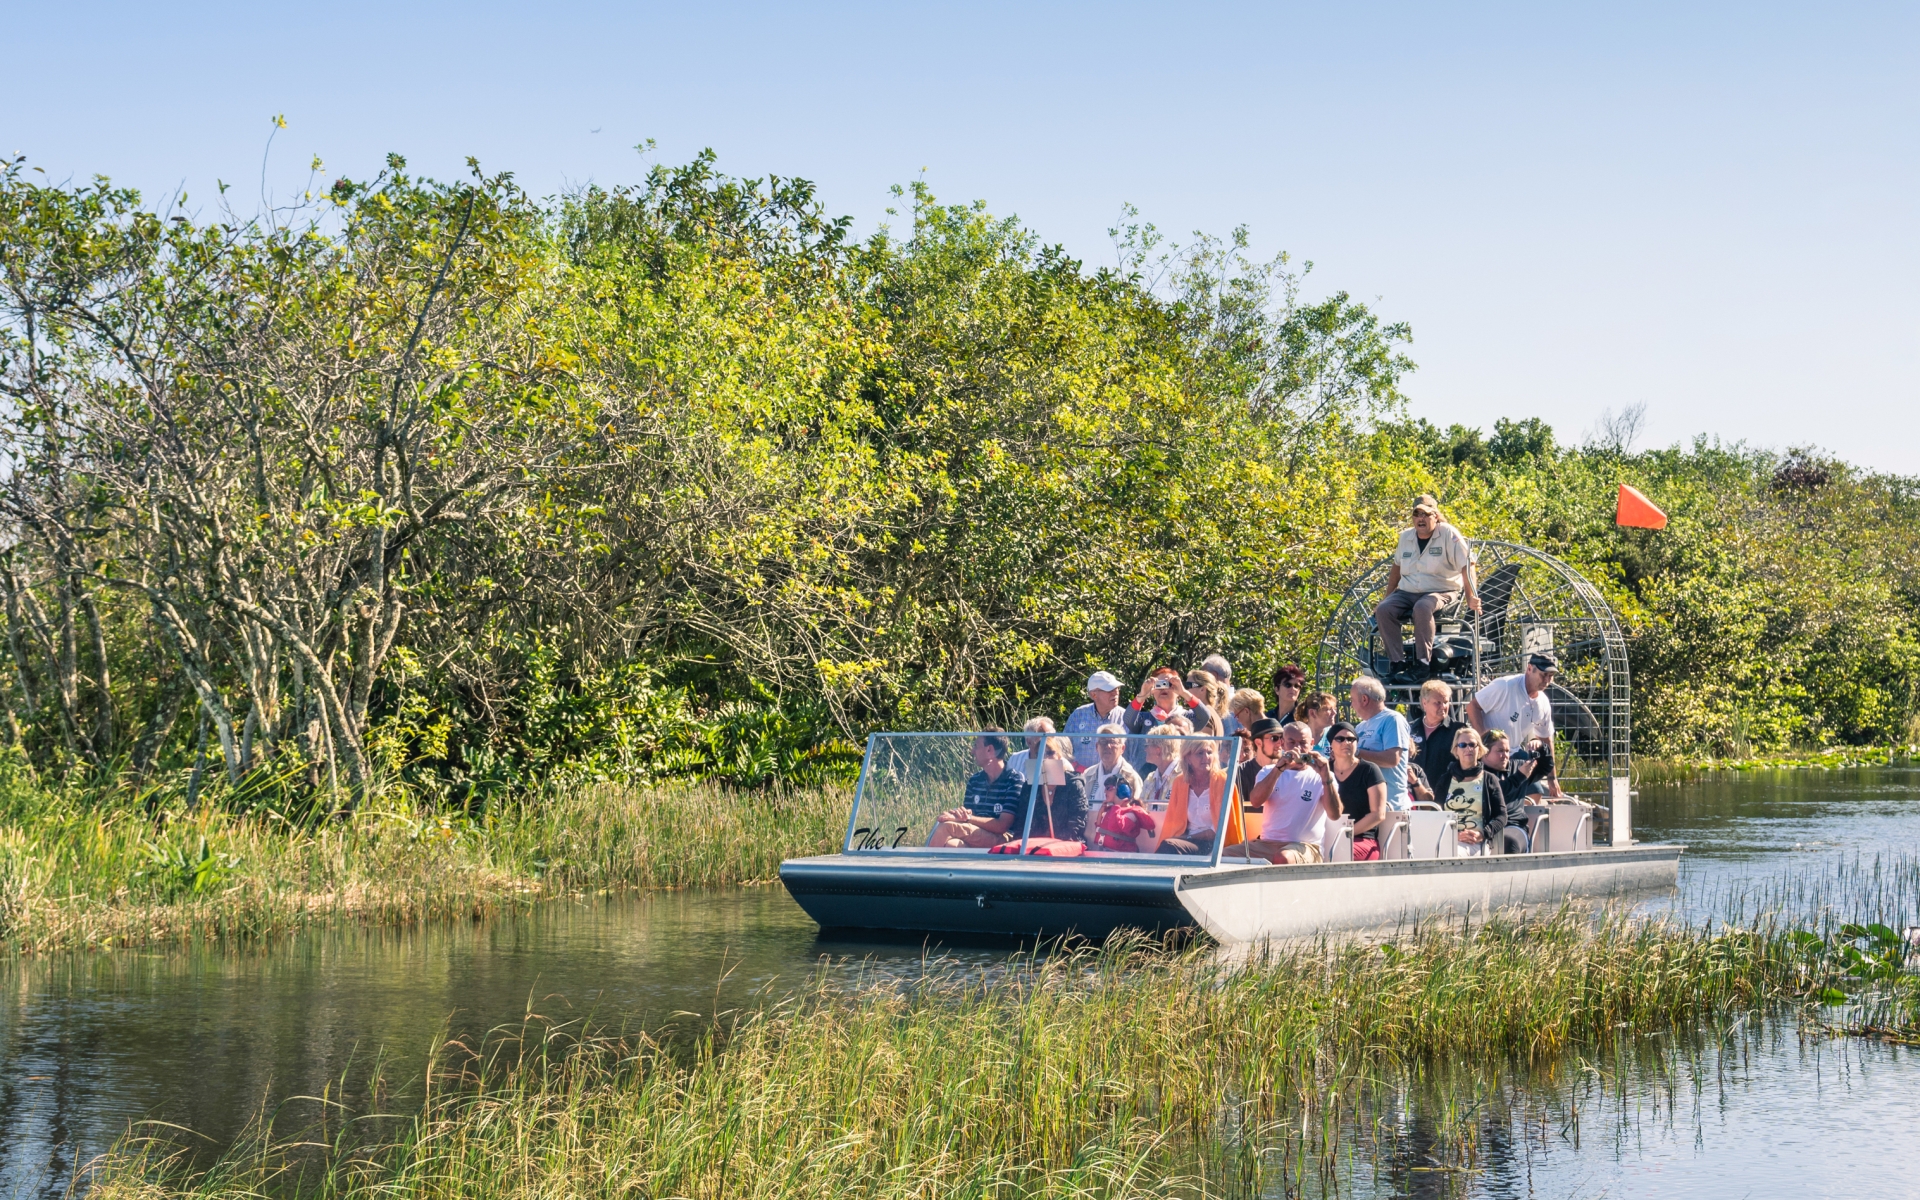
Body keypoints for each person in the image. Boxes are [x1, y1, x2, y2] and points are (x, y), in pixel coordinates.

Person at [1372, 497, 1481, 685]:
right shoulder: (1405, 537)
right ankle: (1397, 663)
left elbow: (1468, 564)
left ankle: (1422, 664)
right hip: (1408, 591)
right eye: (1416, 514)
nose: (1420, 519)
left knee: (1422, 607)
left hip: (1441, 590)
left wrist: (1471, 596)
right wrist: (1386, 597)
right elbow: (1396, 568)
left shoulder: (1448, 534)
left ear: (1436, 516)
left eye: (1426, 514)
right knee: (1384, 610)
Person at [1467, 652, 1565, 799]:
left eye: (1550, 676)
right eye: (1543, 674)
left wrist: (1552, 779)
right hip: (1488, 754)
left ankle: (1517, 821)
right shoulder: (1505, 686)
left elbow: (1546, 740)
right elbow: (1472, 707)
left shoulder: (1543, 702)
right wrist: (1484, 742)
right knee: (1494, 794)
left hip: (1514, 752)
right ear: (1529, 668)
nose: (1547, 680)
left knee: (1535, 792)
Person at [1244, 722, 1340, 864]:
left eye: (1303, 743)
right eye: (1292, 742)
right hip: (1267, 844)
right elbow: (1256, 801)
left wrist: (1326, 777)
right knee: (1223, 855)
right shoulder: (1268, 771)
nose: (1298, 749)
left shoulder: (1322, 775)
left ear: (1312, 744)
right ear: (1282, 743)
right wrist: (1278, 769)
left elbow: (1334, 814)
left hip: (1306, 847)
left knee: (1283, 858)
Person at [929, 730, 1028, 848]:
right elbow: (969, 816)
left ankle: (921, 865)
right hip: (977, 833)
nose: (972, 751)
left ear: (989, 750)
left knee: (946, 826)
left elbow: (1002, 826)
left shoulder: (1014, 779)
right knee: (952, 846)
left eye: (976, 746)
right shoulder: (974, 780)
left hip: (1004, 838)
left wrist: (968, 818)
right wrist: (961, 815)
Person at [1157, 738, 1240, 857]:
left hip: (1215, 844)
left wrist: (1188, 837)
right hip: (1185, 842)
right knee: (1168, 847)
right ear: (1187, 758)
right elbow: (1173, 822)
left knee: (1170, 846)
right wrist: (1183, 837)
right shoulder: (1180, 782)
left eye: (1209, 752)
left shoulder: (1223, 781)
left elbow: (1220, 830)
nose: (1206, 757)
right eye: (1200, 753)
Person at [1435, 727, 1506, 854]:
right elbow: (1436, 814)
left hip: (1476, 842)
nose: (1468, 748)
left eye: (1472, 744)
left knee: (1452, 853)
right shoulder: (1445, 780)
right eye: (1463, 745)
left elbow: (1501, 816)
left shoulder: (1489, 780)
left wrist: (1483, 834)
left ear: (1479, 749)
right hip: (1447, 838)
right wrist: (1455, 835)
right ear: (1456, 750)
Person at [1351, 675, 1413, 811]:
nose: (1351, 705)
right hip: (1367, 806)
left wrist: (1356, 753)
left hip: (1392, 807)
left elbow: (1392, 759)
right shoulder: (1359, 727)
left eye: (1352, 700)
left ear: (1364, 699)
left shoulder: (1392, 719)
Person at [1327, 720, 1387, 860]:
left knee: (1337, 852)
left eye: (1351, 739)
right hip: (1328, 836)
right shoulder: (1324, 769)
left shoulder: (1369, 770)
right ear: (1331, 744)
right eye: (1340, 739)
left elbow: (1378, 814)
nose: (1346, 742)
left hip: (1362, 839)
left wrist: (1347, 833)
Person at [1408, 679, 1468, 803]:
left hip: (1447, 799)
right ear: (1424, 703)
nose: (1443, 707)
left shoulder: (1459, 731)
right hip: (1412, 800)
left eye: (1446, 702)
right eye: (1438, 703)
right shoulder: (1409, 729)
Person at [1480, 732, 1535, 852]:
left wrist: (1541, 746)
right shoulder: (1476, 772)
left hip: (1512, 824)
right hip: (1481, 824)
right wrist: (1519, 777)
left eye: (1507, 751)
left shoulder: (1518, 766)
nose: (1505, 755)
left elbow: (1546, 766)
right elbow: (1495, 792)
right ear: (1484, 752)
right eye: (1500, 751)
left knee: (1508, 841)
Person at [1029, 736, 1090, 843]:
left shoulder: (1073, 783)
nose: (1045, 758)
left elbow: (1077, 824)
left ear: (1059, 756)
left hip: (1067, 845)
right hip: (1035, 848)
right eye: (1039, 754)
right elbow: (1022, 824)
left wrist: (1053, 844)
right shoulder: (1030, 786)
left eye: (1050, 753)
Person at [1064, 671, 1126, 770]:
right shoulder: (1078, 715)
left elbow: (1133, 755)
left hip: (1114, 781)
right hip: (1081, 780)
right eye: (1109, 689)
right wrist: (1074, 768)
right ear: (1094, 695)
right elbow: (1064, 749)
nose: (1115, 692)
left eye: (1117, 688)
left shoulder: (1125, 717)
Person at [1080, 723, 1142, 810]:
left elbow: (1137, 810)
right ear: (1097, 747)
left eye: (1112, 742)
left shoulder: (1131, 777)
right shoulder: (1088, 774)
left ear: (1122, 748)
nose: (1108, 746)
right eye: (1103, 742)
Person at [1088, 776, 1156, 853]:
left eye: (1108, 788)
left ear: (1122, 790)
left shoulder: (1131, 814)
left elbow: (1113, 827)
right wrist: (1100, 813)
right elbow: (1099, 829)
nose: (1105, 792)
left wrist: (1117, 805)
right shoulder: (1112, 810)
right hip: (1107, 852)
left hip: (1123, 856)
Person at [1235, 716, 1286, 810]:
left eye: (1282, 738)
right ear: (1258, 742)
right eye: (1274, 738)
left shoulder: (1289, 770)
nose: (1280, 743)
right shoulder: (1239, 773)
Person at [1137, 724, 1183, 813]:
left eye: (1147, 745)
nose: (1145, 749)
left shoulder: (1184, 775)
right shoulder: (1150, 778)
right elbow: (1140, 809)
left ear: (1158, 750)